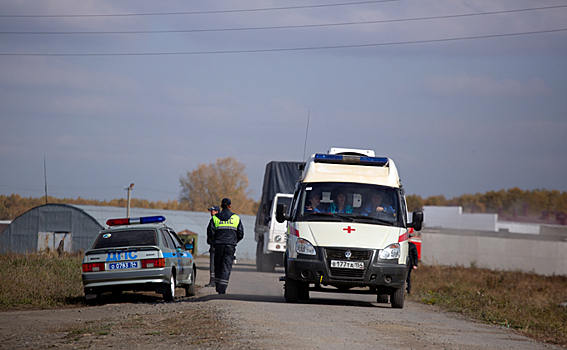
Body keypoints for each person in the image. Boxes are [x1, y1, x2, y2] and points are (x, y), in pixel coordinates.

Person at [206, 198, 244, 294]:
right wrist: (233, 241)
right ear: (230, 206)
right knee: (226, 266)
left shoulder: (215, 218)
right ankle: (222, 288)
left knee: (218, 265)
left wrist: (213, 242)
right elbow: (241, 234)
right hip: (230, 246)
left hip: (218, 246)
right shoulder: (236, 218)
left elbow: (210, 233)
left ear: (221, 206)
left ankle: (219, 286)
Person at [205, 205, 220, 288]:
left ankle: (213, 281)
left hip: (214, 245)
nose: (211, 212)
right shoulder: (223, 220)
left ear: (217, 211)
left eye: (212, 211)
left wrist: (211, 241)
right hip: (221, 245)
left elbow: (210, 232)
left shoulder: (214, 220)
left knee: (213, 264)